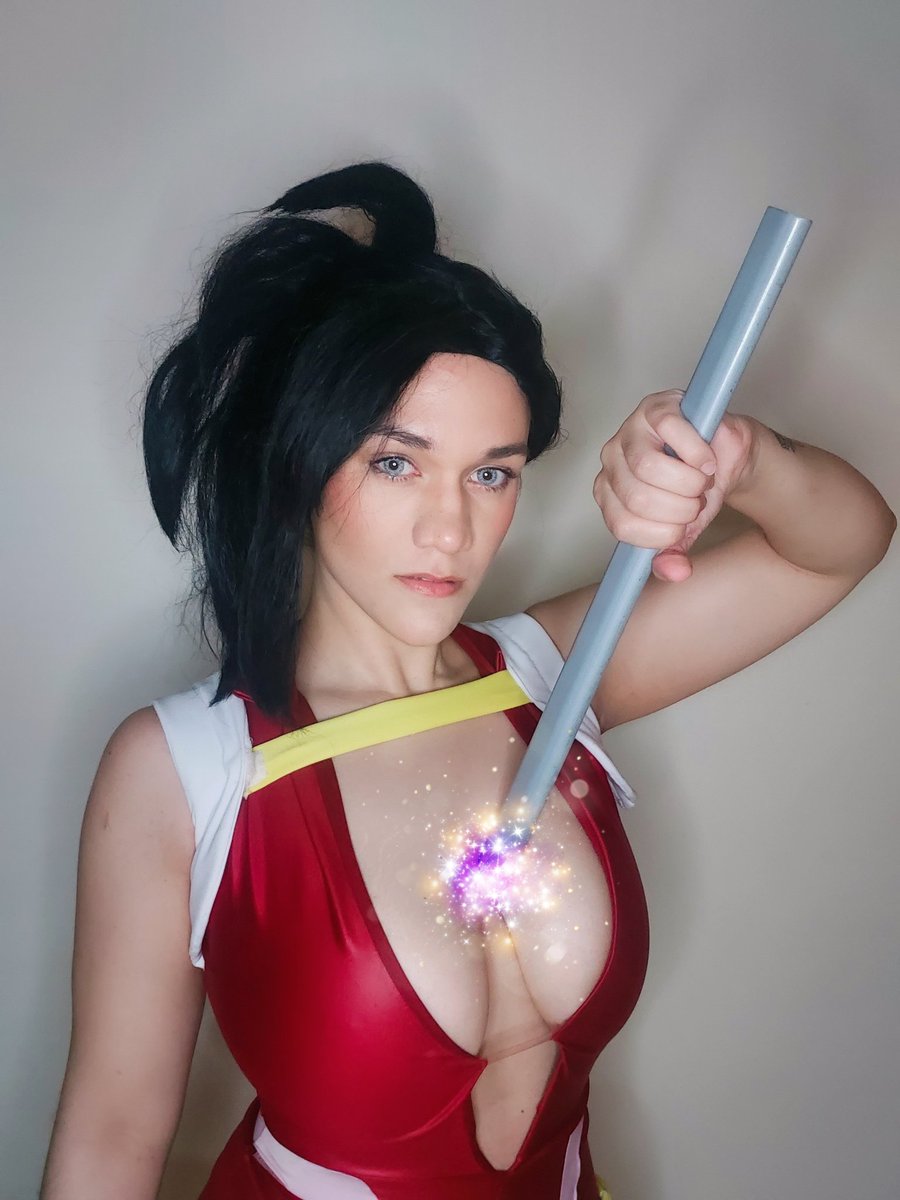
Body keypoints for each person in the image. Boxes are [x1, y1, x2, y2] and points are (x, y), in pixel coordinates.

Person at [41, 161, 895, 1200]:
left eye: (491, 473)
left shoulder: (552, 676)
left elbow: (839, 547)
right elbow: (113, 1137)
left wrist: (742, 461)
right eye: (395, 462)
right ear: (299, 462)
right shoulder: (184, 769)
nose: (451, 529)